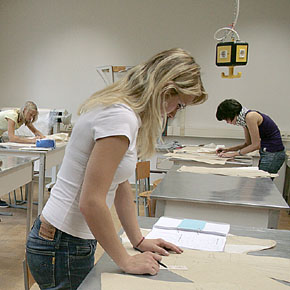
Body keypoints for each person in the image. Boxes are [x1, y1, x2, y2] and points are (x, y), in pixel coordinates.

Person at [26, 48, 207, 289]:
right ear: (167, 90)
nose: (173, 113)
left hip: (67, 241)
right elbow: (91, 201)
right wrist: (125, 260)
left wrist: (138, 240)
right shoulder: (120, 117)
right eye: (179, 105)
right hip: (62, 245)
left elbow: (120, 185)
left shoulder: (125, 114)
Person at [215, 99, 285, 174]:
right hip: (268, 152)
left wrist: (233, 154)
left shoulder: (250, 117)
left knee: (261, 183)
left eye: (227, 119)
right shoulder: (244, 120)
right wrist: (227, 150)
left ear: (232, 114)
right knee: (259, 182)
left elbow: (256, 145)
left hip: (273, 153)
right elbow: (248, 144)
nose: (228, 122)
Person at [0, 101, 44, 208]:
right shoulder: (13, 116)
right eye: (30, 114)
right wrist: (32, 141)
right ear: (24, 110)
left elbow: (36, 132)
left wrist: (44, 139)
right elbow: (12, 138)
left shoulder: (24, 119)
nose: (31, 118)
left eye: (34, 115)